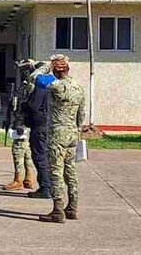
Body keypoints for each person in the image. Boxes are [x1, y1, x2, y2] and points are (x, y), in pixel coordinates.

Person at [39, 54, 85, 223]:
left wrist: (45, 67)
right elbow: (82, 114)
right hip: (72, 133)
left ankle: (58, 210)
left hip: (57, 134)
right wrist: (77, 128)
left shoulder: (55, 86)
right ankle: (73, 207)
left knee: (55, 171)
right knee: (70, 170)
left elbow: (35, 79)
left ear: (56, 71)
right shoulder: (78, 87)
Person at [2, 60, 37, 191]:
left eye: (25, 69)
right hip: (19, 122)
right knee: (26, 152)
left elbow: (27, 105)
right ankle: (28, 177)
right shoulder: (24, 85)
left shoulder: (30, 86)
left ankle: (18, 180)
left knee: (17, 150)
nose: (22, 72)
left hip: (23, 124)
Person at [24, 62, 55, 199]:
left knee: (39, 156)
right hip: (50, 125)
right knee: (48, 156)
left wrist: (22, 104)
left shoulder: (40, 88)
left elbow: (32, 106)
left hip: (39, 126)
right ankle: (51, 186)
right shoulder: (54, 87)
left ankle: (45, 187)